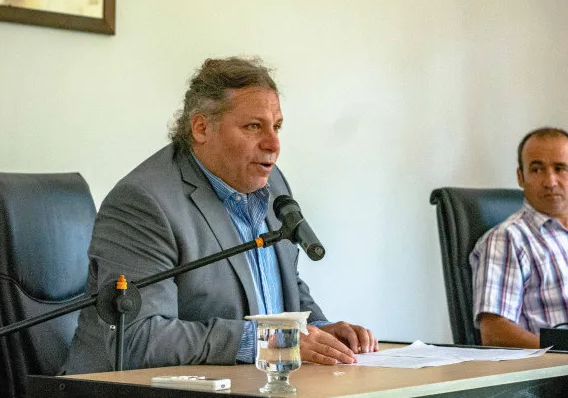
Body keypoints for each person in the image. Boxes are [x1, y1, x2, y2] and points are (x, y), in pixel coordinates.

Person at [63, 57, 377, 373]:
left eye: (277, 126)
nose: (273, 144)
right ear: (201, 128)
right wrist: (270, 342)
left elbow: (282, 285)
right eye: (253, 126)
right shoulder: (145, 202)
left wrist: (320, 331)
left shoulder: (271, 182)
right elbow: (138, 338)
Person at [469, 127, 568, 348]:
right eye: (536, 169)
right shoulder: (507, 239)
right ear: (520, 177)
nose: (550, 181)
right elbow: (495, 332)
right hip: (559, 374)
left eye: (560, 168)